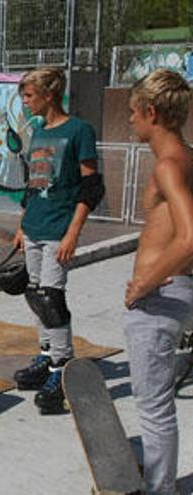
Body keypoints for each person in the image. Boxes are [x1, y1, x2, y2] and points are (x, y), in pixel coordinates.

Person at [11, 67, 103, 414]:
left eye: (29, 95)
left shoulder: (80, 131)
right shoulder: (39, 133)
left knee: (52, 298)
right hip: (35, 226)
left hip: (59, 230)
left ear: (49, 95)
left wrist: (73, 232)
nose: (25, 100)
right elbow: (33, 184)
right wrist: (22, 225)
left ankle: (63, 368)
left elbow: (92, 187)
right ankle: (47, 355)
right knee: (36, 296)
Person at [123, 68, 193, 495]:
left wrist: (144, 282)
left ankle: (160, 490)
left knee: (153, 407)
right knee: (158, 402)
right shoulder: (190, 157)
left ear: (151, 111)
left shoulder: (168, 165)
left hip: (160, 298)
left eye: (133, 112)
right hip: (178, 293)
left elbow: (190, 236)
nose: (130, 120)